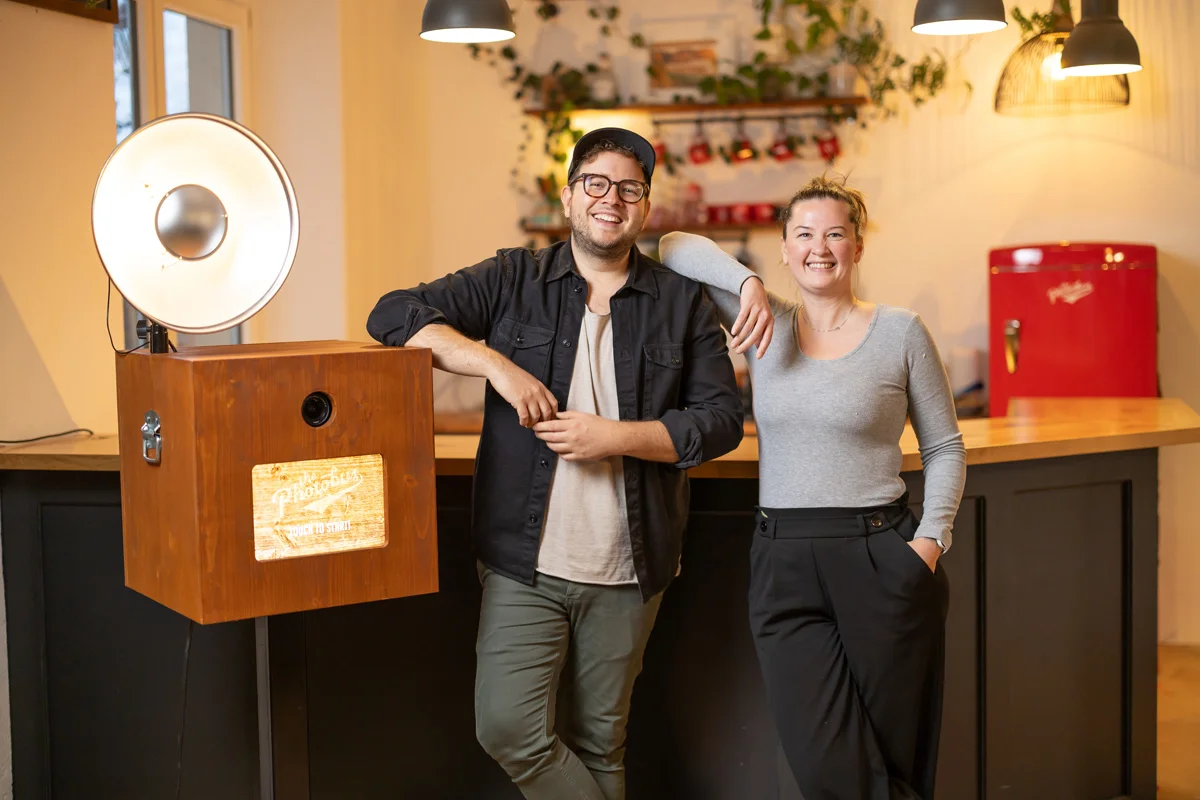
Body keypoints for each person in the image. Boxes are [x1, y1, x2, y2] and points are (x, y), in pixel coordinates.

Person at [365, 127, 744, 800]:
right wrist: (498, 367)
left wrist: (616, 437)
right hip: (524, 561)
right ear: (569, 197)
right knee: (508, 727)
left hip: (632, 563)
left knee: (603, 741)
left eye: (629, 187)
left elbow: (719, 424)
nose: (611, 199)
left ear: (645, 207)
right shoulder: (515, 279)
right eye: (595, 183)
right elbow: (392, 314)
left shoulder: (681, 303)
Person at [658, 175, 966, 800]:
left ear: (857, 247)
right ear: (785, 246)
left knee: (891, 750)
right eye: (803, 234)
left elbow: (944, 448)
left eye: (834, 234)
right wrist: (745, 280)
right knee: (825, 760)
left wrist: (929, 545)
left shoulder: (900, 332)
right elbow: (670, 245)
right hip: (784, 563)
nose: (818, 247)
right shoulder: (762, 319)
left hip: (882, 556)